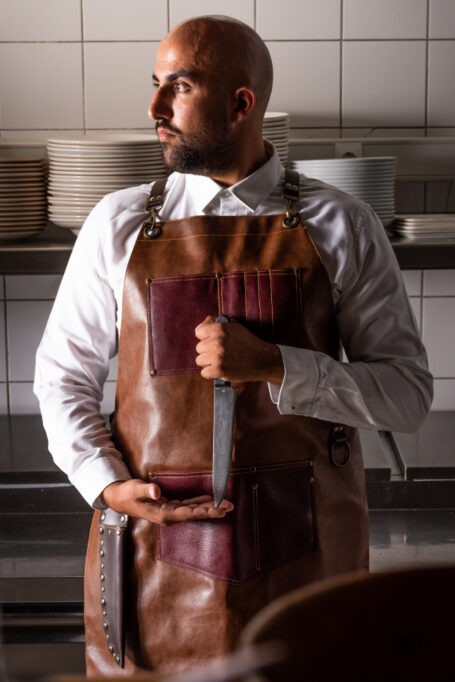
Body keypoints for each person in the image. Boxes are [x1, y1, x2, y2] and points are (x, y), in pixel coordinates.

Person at [34, 15, 433, 677]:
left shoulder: (342, 225)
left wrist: (276, 364)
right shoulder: (118, 223)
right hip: (153, 552)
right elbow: (61, 379)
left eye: (178, 87)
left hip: (311, 560)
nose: (154, 107)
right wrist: (105, 485)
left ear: (240, 103)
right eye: (156, 85)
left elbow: (407, 397)